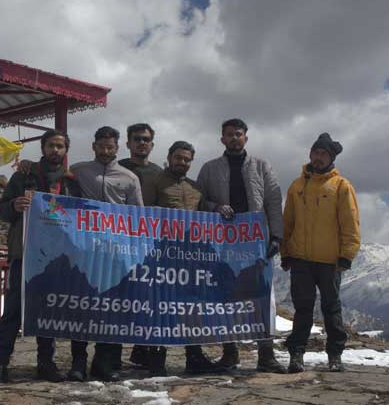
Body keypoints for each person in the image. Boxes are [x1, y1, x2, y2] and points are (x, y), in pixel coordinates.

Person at [0, 130, 82, 385]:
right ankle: (0, 364)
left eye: (60, 146)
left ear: (66, 150)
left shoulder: (71, 183)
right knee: (12, 310)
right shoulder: (23, 175)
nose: (55, 150)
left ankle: (46, 364)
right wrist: (14, 206)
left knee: (48, 310)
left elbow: (80, 217)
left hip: (56, 258)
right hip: (24, 253)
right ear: (43, 147)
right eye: (51, 145)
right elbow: (2, 210)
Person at [196, 118, 286, 373]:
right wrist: (215, 207)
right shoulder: (209, 168)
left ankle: (266, 355)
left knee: (262, 297)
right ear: (222, 139)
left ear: (246, 137)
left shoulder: (261, 166)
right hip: (223, 243)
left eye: (238, 134)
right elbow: (199, 200)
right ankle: (229, 352)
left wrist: (276, 236)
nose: (234, 138)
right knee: (225, 297)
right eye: (229, 134)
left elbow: (273, 201)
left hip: (257, 242)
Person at [142, 141, 229, 376]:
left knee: (191, 307)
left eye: (187, 159)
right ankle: (156, 360)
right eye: (178, 158)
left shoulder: (194, 187)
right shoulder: (155, 182)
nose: (182, 162)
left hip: (190, 256)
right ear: (169, 157)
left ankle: (194, 356)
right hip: (162, 255)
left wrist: (219, 208)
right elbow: (142, 214)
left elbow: (203, 212)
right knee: (161, 306)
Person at [67, 126, 143, 382]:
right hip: (85, 251)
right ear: (94, 146)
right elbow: (53, 179)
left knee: (112, 309)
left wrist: (134, 251)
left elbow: (138, 217)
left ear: (117, 148)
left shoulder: (129, 177)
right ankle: (78, 362)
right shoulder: (78, 170)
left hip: (116, 254)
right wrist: (26, 168)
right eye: (102, 146)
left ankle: (106, 363)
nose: (106, 151)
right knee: (83, 308)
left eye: (111, 147)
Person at [280, 133, 360, 373]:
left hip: (330, 261)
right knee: (302, 309)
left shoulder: (341, 186)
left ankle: (335, 356)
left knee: (331, 308)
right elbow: (288, 222)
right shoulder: (297, 185)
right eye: (315, 152)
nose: (318, 157)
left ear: (331, 157)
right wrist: (285, 252)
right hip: (301, 259)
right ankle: (296, 355)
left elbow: (350, 222)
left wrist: (347, 254)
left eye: (323, 153)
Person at [118, 123, 163, 370]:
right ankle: (111, 352)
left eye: (146, 139)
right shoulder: (118, 168)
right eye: (137, 139)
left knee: (149, 299)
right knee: (120, 297)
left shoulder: (159, 173)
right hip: (121, 243)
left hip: (151, 245)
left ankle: (142, 348)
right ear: (128, 143)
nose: (141, 143)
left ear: (152, 144)